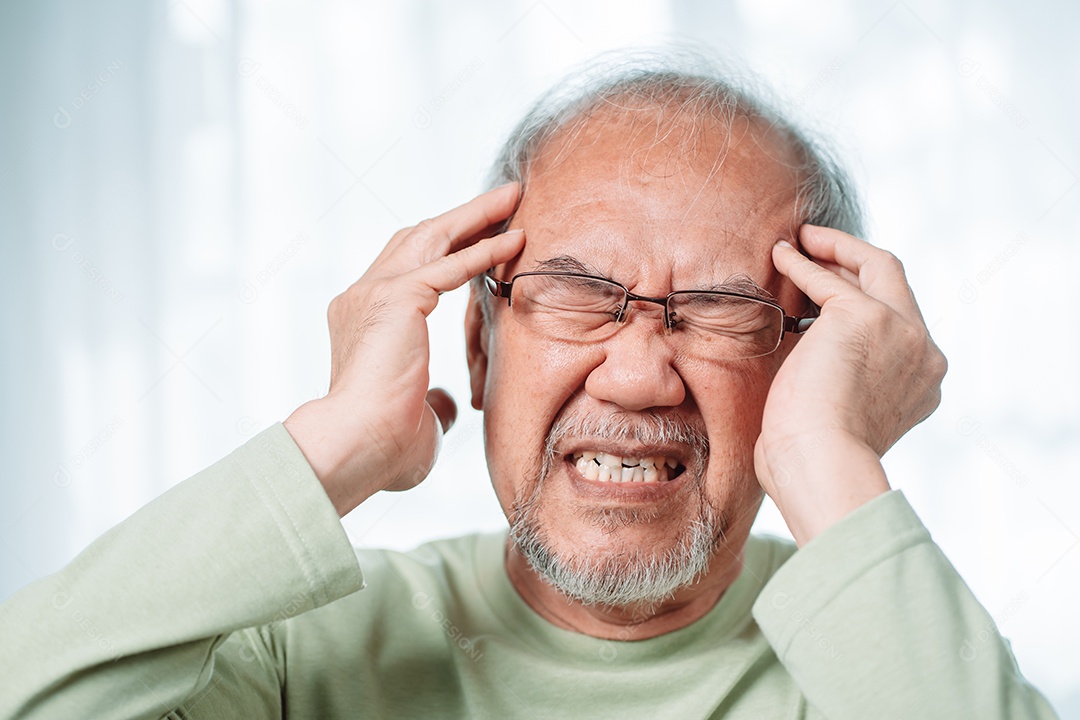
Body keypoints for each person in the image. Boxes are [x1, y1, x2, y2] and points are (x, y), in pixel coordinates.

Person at [0, 49, 1059, 719]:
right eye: (577, 293)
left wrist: (833, 464)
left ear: (808, 364)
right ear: (477, 348)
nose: (642, 376)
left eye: (726, 314)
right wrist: (332, 446)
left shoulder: (885, 646)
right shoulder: (300, 651)